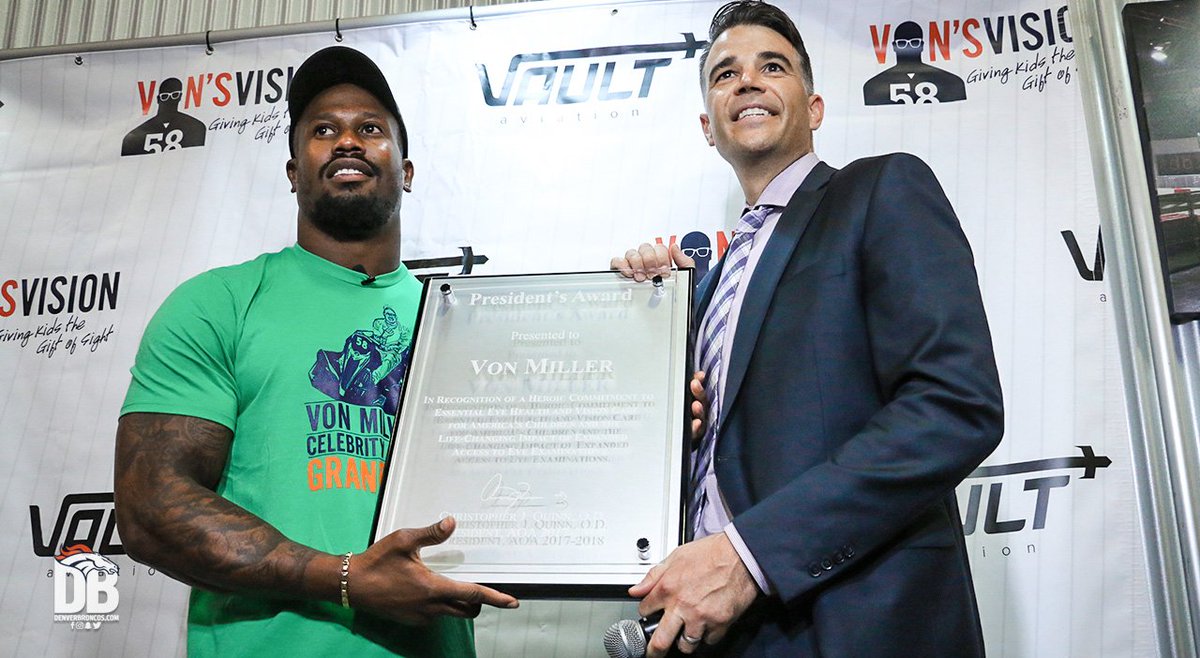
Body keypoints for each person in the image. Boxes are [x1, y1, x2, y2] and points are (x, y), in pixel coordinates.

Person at [611, 2, 1003, 656]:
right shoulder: (708, 283)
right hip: (712, 631)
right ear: (708, 127)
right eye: (725, 73)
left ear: (814, 108)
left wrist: (748, 556)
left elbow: (954, 406)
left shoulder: (881, 190)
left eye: (773, 67)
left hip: (850, 621)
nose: (747, 81)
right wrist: (650, 326)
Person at [114, 46, 518, 658]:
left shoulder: (461, 326)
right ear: (292, 171)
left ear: (406, 170)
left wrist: (648, 314)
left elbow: (522, 486)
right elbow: (151, 506)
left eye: (370, 129)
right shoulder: (218, 304)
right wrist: (345, 580)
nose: (347, 141)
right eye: (323, 130)